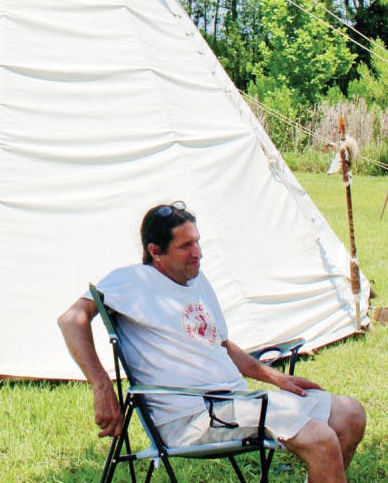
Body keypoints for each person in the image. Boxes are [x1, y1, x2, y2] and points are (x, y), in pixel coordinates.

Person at [57, 203, 366, 483]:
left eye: (198, 241)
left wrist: (278, 378)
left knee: (351, 414)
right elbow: (71, 320)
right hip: (193, 417)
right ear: (155, 251)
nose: (198, 252)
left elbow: (222, 345)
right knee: (321, 439)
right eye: (186, 246)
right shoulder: (132, 281)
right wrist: (101, 386)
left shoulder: (197, 281)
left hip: (235, 403)